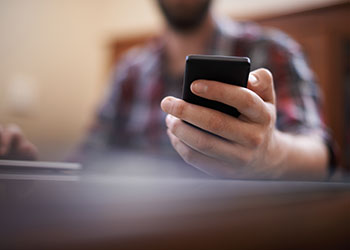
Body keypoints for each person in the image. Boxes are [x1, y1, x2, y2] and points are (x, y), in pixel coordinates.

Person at [0, 0, 335, 179]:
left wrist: (272, 156)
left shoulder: (274, 51)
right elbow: (89, 159)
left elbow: (321, 155)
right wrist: (27, 171)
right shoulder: (129, 71)